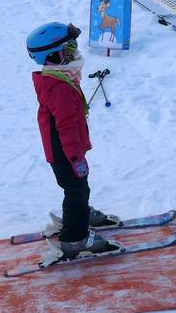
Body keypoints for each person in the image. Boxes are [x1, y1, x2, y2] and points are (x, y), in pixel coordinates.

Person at [26, 22, 120, 259]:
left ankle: (80, 214)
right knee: (76, 189)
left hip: (67, 149)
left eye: (74, 47)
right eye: (68, 50)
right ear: (53, 57)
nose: (75, 54)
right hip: (65, 152)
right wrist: (76, 157)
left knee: (77, 188)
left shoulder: (59, 78)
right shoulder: (58, 87)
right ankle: (74, 238)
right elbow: (66, 125)